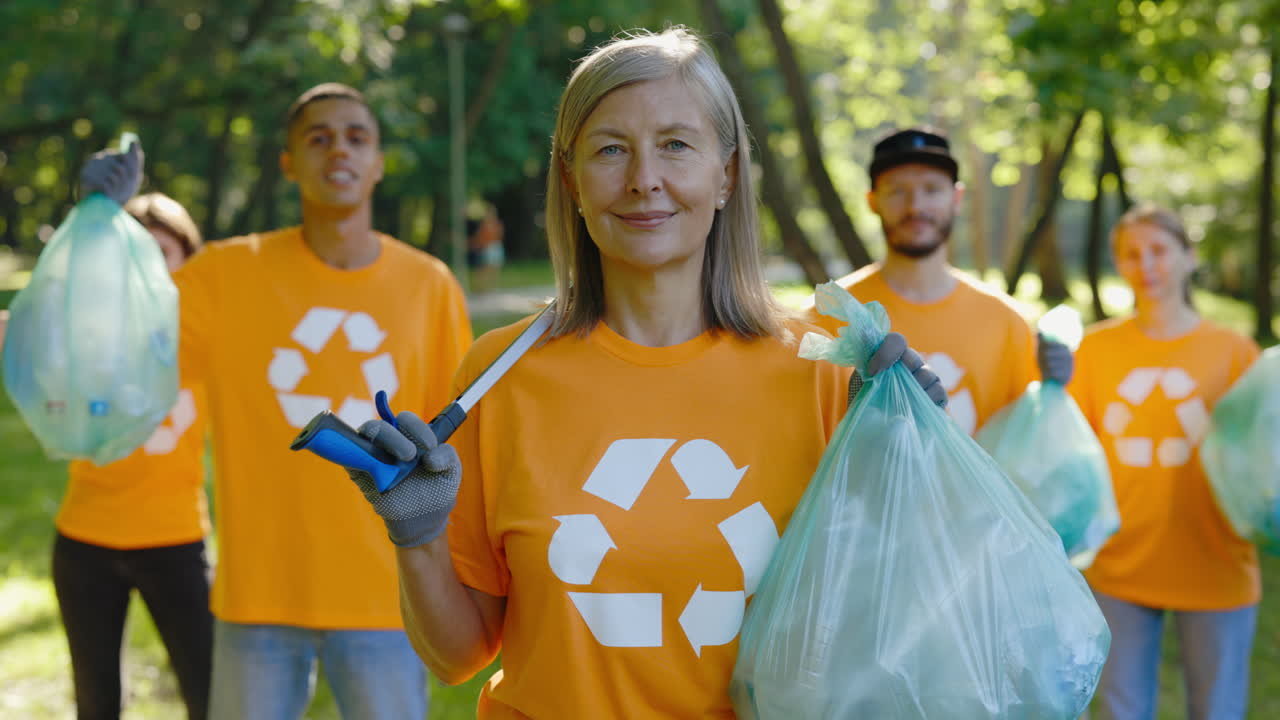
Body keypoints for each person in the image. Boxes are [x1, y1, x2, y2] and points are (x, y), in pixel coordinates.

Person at [333, 28, 943, 718]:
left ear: (727, 175)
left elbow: (883, 629)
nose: (643, 180)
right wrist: (417, 538)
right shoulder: (502, 373)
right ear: (571, 180)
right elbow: (457, 655)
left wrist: (906, 466)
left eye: (676, 145)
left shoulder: (822, 374)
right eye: (610, 150)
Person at [83, 83, 472, 719]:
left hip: (387, 592)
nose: (337, 150)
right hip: (258, 595)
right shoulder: (227, 274)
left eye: (356, 137)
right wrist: (96, 227)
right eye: (316, 138)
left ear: (378, 162)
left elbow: (457, 446)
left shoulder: (428, 286)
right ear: (288, 161)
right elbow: (120, 339)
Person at [1068, 205, 1260, 720]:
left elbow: (1262, 460)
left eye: (1159, 250)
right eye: (1131, 254)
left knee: (1216, 710)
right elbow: (1071, 456)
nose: (1146, 265)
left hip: (1216, 561)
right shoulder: (1094, 350)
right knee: (1120, 709)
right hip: (1121, 563)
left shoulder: (1236, 353)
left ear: (1188, 258)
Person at [46, 174, 213, 719]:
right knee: (97, 702)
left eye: (161, 252)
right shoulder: (81, 330)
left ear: (189, 258)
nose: (145, 266)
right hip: (84, 541)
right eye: (131, 252)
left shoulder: (209, 332)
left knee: (208, 693)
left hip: (176, 541)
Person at [803, 128, 1072, 435]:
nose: (916, 207)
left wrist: (1054, 393)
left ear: (957, 198)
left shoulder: (1007, 322)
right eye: (897, 191)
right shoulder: (823, 317)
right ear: (872, 200)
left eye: (931, 189)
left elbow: (1026, 446)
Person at [466, 208, 505, 293]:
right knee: (484, 269)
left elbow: (499, 235)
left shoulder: (497, 224)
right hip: (487, 248)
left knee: (494, 268)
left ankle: (492, 287)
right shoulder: (484, 225)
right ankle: (482, 288)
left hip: (495, 247)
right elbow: (480, 237)